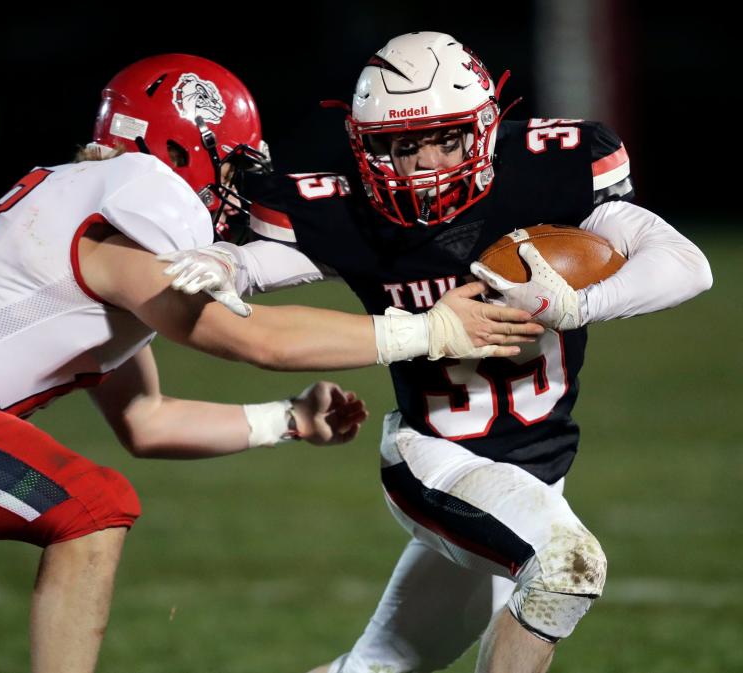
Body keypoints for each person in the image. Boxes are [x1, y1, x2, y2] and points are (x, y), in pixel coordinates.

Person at [0, 53, 542, 673]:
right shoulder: (134, 195)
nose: (234, 191)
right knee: (91, 508)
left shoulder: (85, 234)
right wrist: (426, 330)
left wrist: (287, 420)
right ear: (185, 147)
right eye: (232, 166)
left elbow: (147, 420)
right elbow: (253, 339)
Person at [158, 33, 713, 673]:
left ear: (481, 129)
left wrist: (578, 306)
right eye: (401, 144)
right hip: (436, 458)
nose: (424, 163)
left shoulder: (550, 175)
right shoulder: (354, 213)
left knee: (382, 665)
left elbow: (685, 265)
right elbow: (253, 266)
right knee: (565, 565)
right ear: (366, 147)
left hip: (535, 469)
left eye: (444, 138)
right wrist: (223, 257)